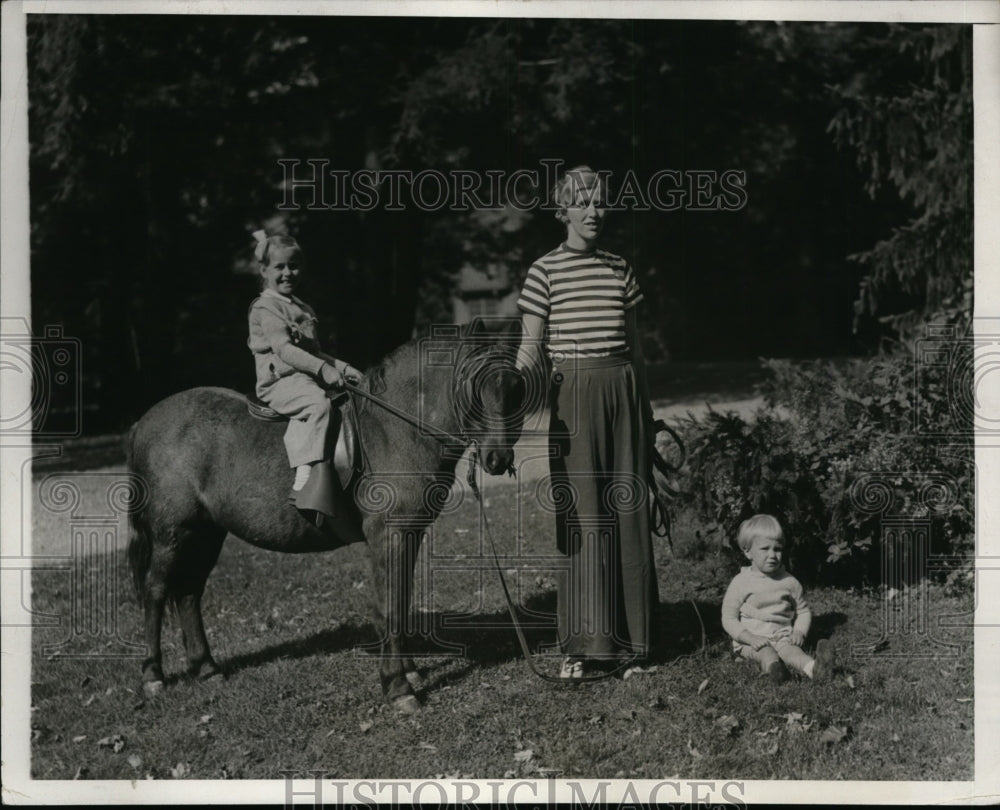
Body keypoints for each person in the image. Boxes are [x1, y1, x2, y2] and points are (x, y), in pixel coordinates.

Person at [515, 165, 659, 678]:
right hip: (570, 397)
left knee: (628, 512)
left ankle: (634, 646)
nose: (594, 210)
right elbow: (529, 350)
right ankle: (583, 646)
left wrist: (646, 412)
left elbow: (637, 348)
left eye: (599, 201)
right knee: (583, 517)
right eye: (582, 202)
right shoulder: (543, 271)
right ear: (563, 211)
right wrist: (511, 397)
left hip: (622, 391)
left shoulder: (620, 267)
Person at [247, 230, 362, 496]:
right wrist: (324, 370)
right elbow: (284, 350)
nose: (287, 273)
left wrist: (343, 368)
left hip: (305, 376)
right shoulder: (266, 308)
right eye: (279, 267)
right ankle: (304, 471)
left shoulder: (302, 308)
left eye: (294, 266)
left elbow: (315, 352)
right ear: (264, 270)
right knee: (317, 404)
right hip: (280, 381)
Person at [721, 514, 835, 683]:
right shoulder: (741, 582)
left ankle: (815, 669)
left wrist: (799, 632)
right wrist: (748, 637)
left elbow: (803, 611)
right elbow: (728, 617)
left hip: (782, 637)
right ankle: (775, 671)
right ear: (747, 551)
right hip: (751, 641)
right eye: (765, 549)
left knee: (793, 652)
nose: (773, 555)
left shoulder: (789, 582)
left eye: (778, 549)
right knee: (767, 653)